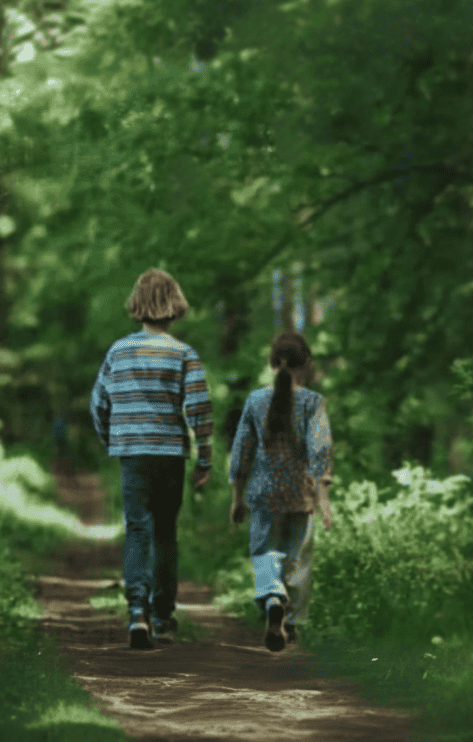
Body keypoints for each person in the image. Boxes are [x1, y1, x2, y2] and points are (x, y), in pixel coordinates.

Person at [90, 269, 214, 649]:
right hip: (170, 454)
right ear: (174, 305)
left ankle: (136, 614)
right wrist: (205, 457)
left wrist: (113, 438)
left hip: (132, 455)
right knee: (164, 533)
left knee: (137, 529)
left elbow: (99, 404)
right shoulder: (183, 354)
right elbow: (199, 408)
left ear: (138, 305)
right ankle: (163, 616)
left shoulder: (118, 352)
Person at [228, 331, 333, 652]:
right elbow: (320, 453)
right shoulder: (312, 402)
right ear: (305, 365)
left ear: (273, 363)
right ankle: (292, 624)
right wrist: (324, 501)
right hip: (301, 495)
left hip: (263, 493)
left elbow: (241, 452)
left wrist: (237, 497)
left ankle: (273, 597)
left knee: (265, 552)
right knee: (297, 560)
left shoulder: (255, 401)